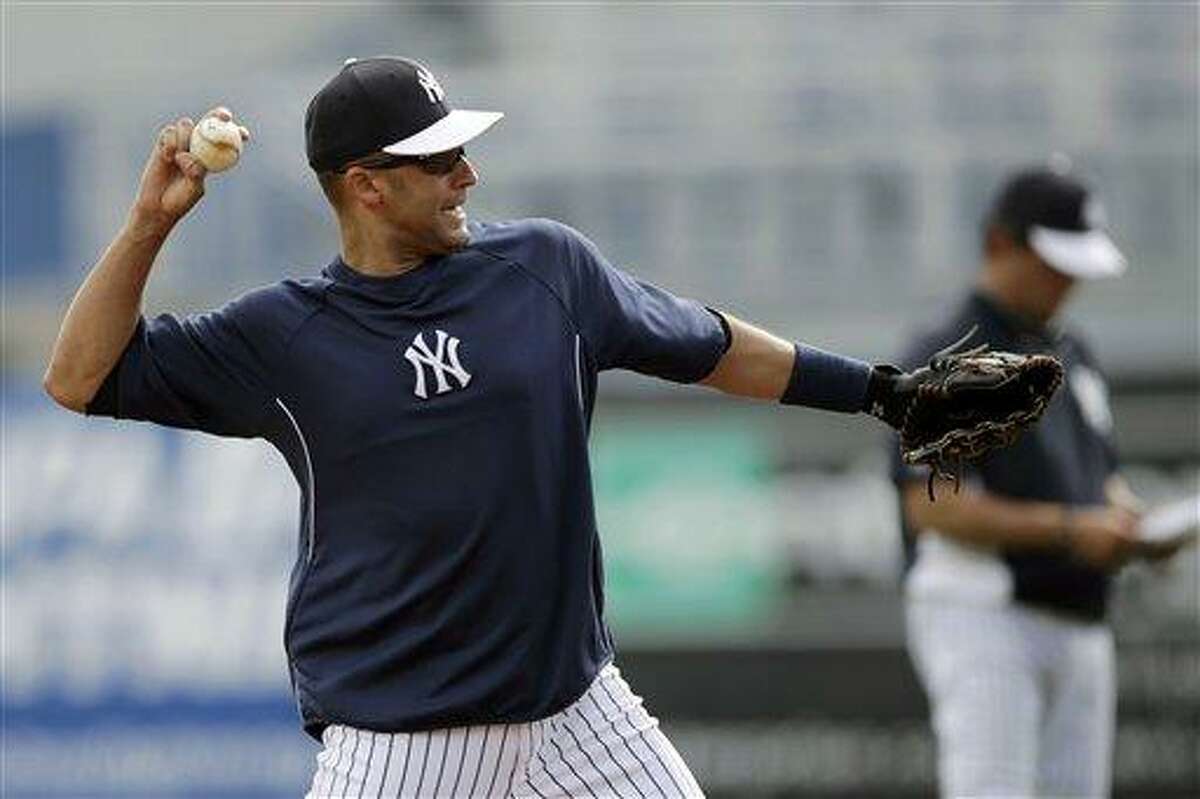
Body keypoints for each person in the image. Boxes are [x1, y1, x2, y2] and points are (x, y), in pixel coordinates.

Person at [47, 56, 917, 799]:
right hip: (401, 741)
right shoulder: (284, 334)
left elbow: (714, 345)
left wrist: (881, 392)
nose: (467, 173)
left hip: (579, 717)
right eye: (440, 158)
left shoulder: (544, 269)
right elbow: (79, 376)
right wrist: (149, 225)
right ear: (367, 185)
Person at [892, 164, 1178, 798]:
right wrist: (1074, 530)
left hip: (1079, 612)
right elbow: (932, 506)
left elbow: (1102, 479)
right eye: (1054, 263)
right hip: (985, 610)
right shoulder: (949, 352)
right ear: (1000, 243)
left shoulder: (1074, 352)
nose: (1067, 282)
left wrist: (1138, 528)